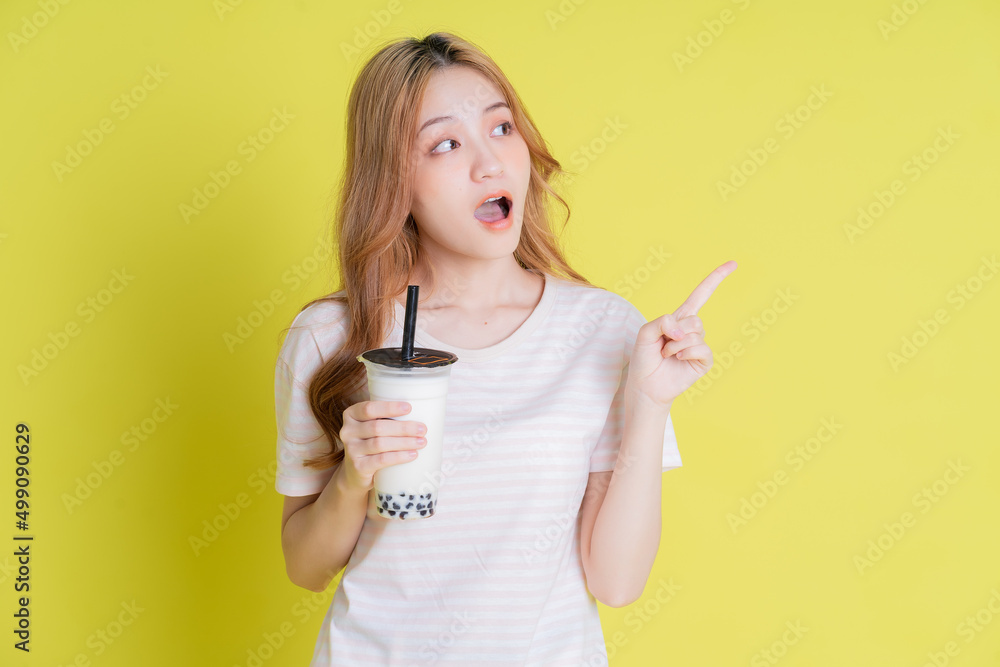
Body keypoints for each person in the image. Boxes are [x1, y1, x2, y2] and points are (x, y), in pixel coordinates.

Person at [274, 31, 736, 666]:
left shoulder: (601, 331)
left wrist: (649, 404)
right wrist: (355, 476)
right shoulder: (332, 336)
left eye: (501, 129)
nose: (489, 164)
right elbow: (305, 566)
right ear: (394, 181)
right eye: (446, 144)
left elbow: (617, 582)